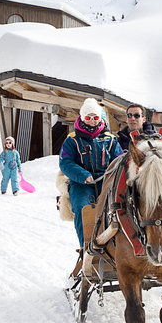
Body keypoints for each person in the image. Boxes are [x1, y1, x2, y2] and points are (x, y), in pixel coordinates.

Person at [59, 98, 123, 248]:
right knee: (83, 209)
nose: (92, 121)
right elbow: (65, 162)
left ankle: (115, 247)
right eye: (88, 118)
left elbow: (119, 160)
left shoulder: (111, 140)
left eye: (96, 118)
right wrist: (82, 175)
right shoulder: (72, 140)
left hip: (105, 181)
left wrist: (111, 176)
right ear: (82, 118)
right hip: (82, 183)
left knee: (116, 208)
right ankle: (86, 247)